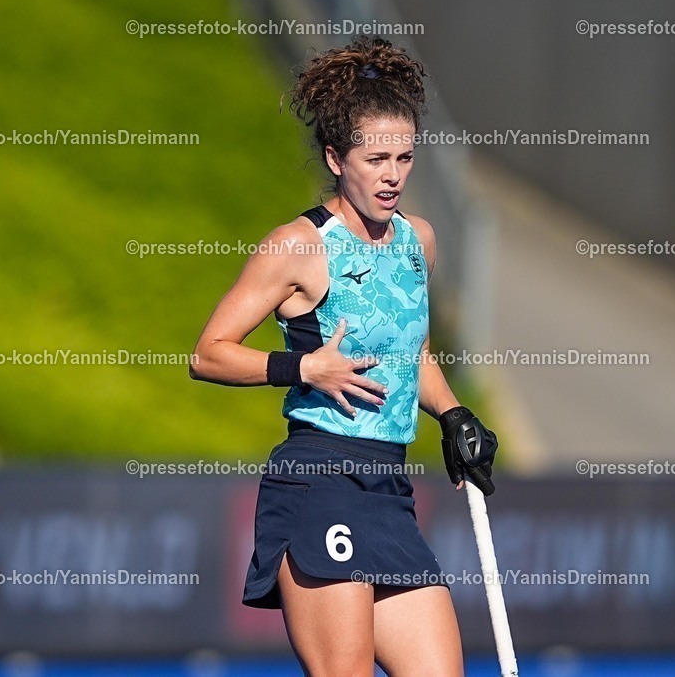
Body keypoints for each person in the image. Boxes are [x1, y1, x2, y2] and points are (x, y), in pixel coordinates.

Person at [190, 35, 498, 677]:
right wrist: (301, 368)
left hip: (388, 488)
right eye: (375, 158)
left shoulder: (419, 241)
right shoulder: (298, 246)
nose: (393, 175)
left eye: (406, 158)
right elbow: (209, 354)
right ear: (335, 157)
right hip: (320, 482)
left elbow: (413, 353)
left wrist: (453, 415)